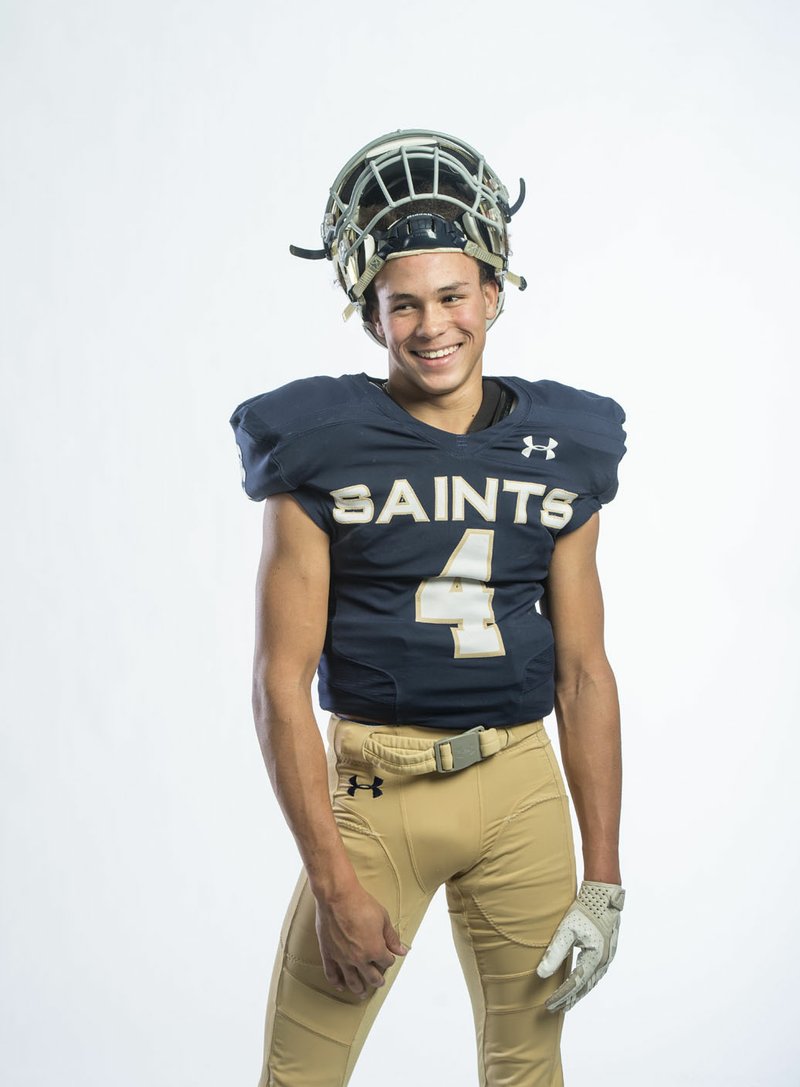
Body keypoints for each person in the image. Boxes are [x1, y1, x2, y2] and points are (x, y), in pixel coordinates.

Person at [230, 129, 627, 1087]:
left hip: (521, 786)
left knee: (529, 1066)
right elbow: (279, 681)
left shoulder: (566, 441)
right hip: (375, 789)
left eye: (452, 296)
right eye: (402, 303)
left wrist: (604, 873)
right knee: (303, 1073)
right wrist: (330, 878)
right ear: (370, 316)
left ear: (493, 293)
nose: (431, 325)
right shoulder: (319, 439)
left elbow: (583, 670)